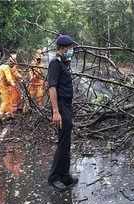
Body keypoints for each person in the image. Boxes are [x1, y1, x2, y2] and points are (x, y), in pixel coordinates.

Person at [47, 34, 78, 191]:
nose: (71, 51)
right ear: (63, 48)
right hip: (60, 106)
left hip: (67, 105)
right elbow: (52, 87)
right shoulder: (55, 63)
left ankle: (65, 175)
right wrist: (56, 111)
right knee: (62, 142)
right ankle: (54, 178)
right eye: (70, 48)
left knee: (66, 142)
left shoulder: (64, 63)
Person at [0, 54, 20, 119]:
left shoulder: (5, 66)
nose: (13, 65)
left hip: (3, 85)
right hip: (2, 85)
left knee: (9, 98)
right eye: (13, 63)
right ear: (10, 62)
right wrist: (13, 84)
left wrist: (20, 77)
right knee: (6, 100)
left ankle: (8, 113)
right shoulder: (6, 67)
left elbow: (15, 73)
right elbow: (9, 78)